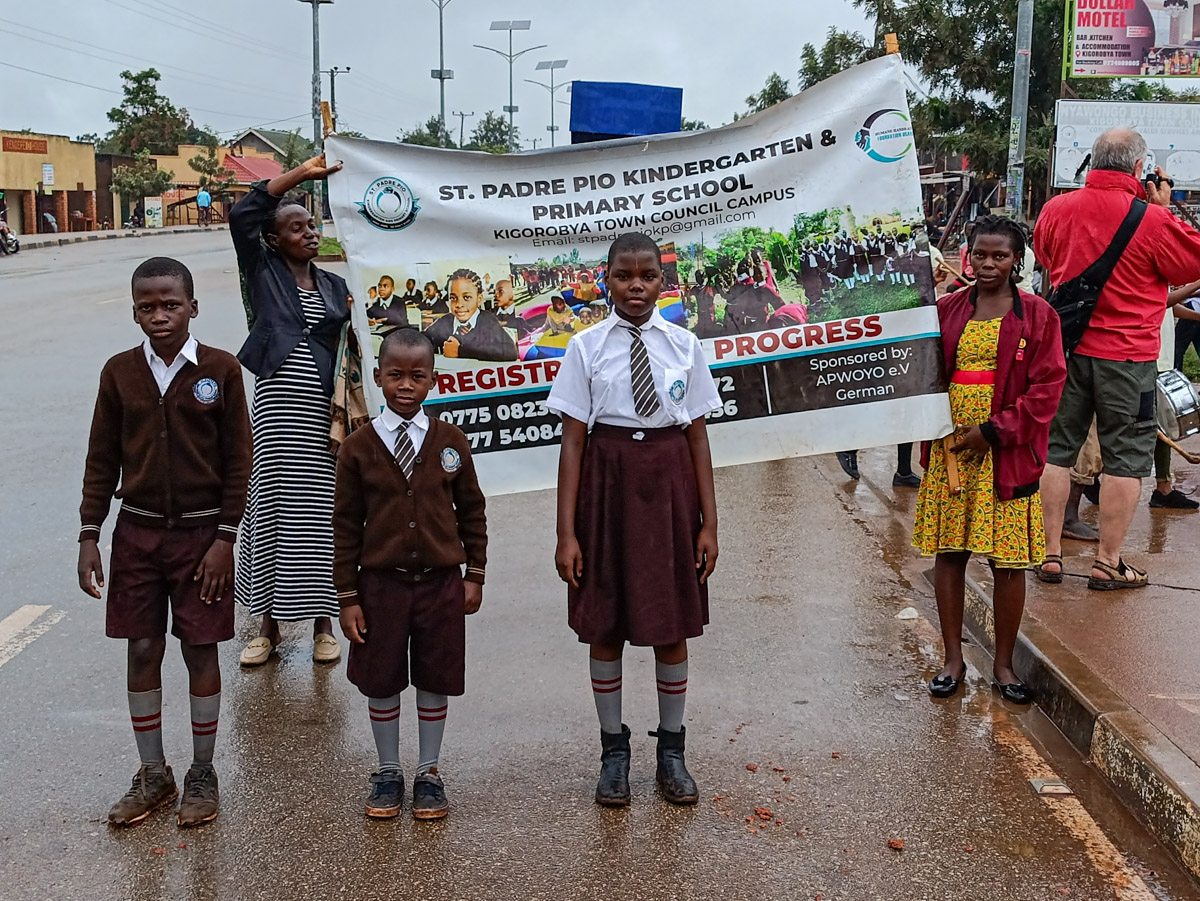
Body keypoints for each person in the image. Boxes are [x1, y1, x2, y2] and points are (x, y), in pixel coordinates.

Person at [547, 232, 722, 807]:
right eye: (624, 276)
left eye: (647, 275)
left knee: (671, 625)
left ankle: (671, 751)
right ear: (607, 280)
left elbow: (698, 438)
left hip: (669, 485)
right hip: (608, 486)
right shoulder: (585, 347)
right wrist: (566, 532)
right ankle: (613, 753)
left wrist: (709, 524)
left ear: (661, 281)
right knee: (607, 624)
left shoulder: (684, 345)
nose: (637, 286)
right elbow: (573, 444)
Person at [77, 256, 252, 827]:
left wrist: (227, 539)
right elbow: (101, 458)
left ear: (193, 308)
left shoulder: (221, 370)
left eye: (171, 304)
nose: (159, 315)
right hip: (139, 536)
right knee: (143, 648)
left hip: (205, 538)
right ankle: (153, 772)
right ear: (134, 312)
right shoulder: (119, 372)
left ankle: (202, 770)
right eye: (147, 306)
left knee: (200, 649)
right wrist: (89, 534)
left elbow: (239, 462)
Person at [1034, 127, 1200, 588]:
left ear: (1093, 160)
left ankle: (1049, 555)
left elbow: (1046, 258)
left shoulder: (1055, 209)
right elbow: (1191, 265)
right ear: (1138, 168)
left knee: (1056, 451)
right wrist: (1165, 209)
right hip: (1127, 359)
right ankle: (1108, 562)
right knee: (1126, 460)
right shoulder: (1152, 219)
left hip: (1065, 352)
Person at [333, 329, 486, 821]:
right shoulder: (357, 448)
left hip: (441, 583)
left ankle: (428, 771)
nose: (405, 385)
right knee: (382, 679)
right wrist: (348, 595)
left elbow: (472, 512)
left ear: (433, 381)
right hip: (380, 587)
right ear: (377, 377)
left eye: (417, 376)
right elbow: (344, 526)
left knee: (434, 675)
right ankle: (387, 770)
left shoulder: (450, 441)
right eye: (395, 375)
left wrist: (475, 572)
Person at [912, 216, 1066, 704]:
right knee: (951, 554)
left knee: (1008, 562)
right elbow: (922, 372)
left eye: (1000, 256)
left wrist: (994, 431)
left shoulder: (1039, 315)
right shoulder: (946, 309)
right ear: (968, 255)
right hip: (952, 449)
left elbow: (1047, 390)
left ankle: (1003, 664)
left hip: (1007, 454)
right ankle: (952, 659)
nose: (988, 264)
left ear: (1017, 260)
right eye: (980, 254)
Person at [230, 154, 351, 665]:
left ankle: (325, 627)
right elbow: (243, 215)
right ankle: (266, 626)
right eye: (294, 227)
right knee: (273, 510)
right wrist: (301, 175)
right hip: (279, 412)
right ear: (274, 239)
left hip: (324, 414)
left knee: (323, 516)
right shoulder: (262, 273)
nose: (307, 233)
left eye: (311, 224)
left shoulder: (335, 286)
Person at [425, 269, 519, 362]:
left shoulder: (487, 320)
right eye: (453, 298)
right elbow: (423, 340)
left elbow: (510, 352)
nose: (459, 304)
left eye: (467, 297)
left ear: (479, 299)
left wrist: (460, 351)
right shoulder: (446, 321)